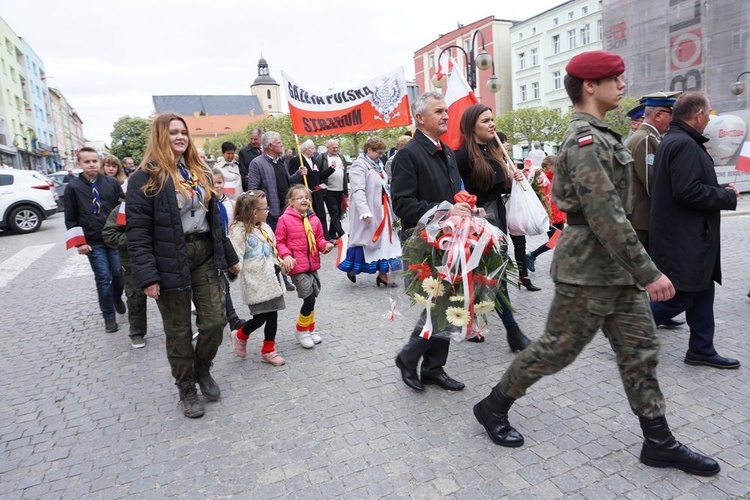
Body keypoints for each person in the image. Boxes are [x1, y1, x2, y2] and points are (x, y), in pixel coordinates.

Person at [472, 50, 721, 477]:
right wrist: (651, 272)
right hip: (587, 270)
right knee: (556, 351)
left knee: (640, 350)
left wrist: (637, 270)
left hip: (615, 269)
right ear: (590, 86)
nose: (623, 86)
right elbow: (606, 216)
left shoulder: (603, 135)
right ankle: (493, 406)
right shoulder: (584, 141)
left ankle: (658, 441)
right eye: (614, 78)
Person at [126, 114, 240, 418]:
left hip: (203, 251)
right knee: (178, 329)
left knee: (215, 320)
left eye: (183, 132)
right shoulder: (144, 178)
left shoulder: (198, 171)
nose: (179, 137)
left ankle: (202, 368)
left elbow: (214, 219)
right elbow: (136, 232)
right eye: (173, 132)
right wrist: (148, 275)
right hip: (168, 259)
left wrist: (229, 256)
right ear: (160, 136)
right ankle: (186, 385)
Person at [649, 91, 740, 370]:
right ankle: (623, 325)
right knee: (683, 294)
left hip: (691, 235)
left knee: (702, 290)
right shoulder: (684, 144)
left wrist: (718, 190)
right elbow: (687, 191)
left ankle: (701, 348)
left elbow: (689, 185)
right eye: (709, 114)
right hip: (685, 237)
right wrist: (726, 197)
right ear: (699, 114)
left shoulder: (678, 140)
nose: (710, 119)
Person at [391, 91, 472, 392]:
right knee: (437, 303)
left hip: (451, 238)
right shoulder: (408, 155)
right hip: (424, 240)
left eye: (446, 112)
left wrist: (464, 206)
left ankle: (434, 368)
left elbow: (452, 196)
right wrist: (446, 209)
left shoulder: (447, 151)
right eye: (438, 111)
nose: (445, 117)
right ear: (420, 118)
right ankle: (409, 357)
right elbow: (402, 204)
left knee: (449, 301)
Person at [454, 104, 531, 352]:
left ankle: (470, 322)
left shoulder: (495, 149)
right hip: (477, 224)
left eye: (492, 119)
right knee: (496, 276)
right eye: (485, 121)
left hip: (498, 219)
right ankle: (513, 332)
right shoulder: (461, 156)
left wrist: (515, 179)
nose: (492, 124)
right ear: (471, 126)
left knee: (485, 276)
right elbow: (457, 192)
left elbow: (500, 187)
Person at [625, 92, 685, 331]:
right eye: (671, 114)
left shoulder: (644, 137)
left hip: (639, 216)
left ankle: (660, 309)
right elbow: (653, 184)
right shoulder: (647, 140)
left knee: (652, 269)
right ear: (659, 114)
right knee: (640, 272)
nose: (673, 119)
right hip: (643, 217)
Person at [64, 147, 126, 333]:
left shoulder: (110, 183)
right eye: (87, 162)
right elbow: (71, 216)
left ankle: (117, 297)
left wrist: (123, 231)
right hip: (92, 240)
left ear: (98, 162)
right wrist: (79, 242)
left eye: (94, 161)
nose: (91, 165)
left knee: (118, 274)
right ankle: (108, 316)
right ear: (80, 164)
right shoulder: (73, 187)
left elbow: (122, 208)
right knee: (102, 278)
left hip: (113, 238)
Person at [229, 190, 287, 366]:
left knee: (273, 316)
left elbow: (272, 249)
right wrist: (233, 269)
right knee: (260, 318)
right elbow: (236, 256)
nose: (268, 211)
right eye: (265, 208)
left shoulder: (265, 227)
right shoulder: (239, 232)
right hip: (256, 282)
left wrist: (281, 263)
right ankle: (240, 335)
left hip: (272, 280)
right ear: (255, 213)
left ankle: (268, 350)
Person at [275, 185, 334, 349]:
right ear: (291, 202)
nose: (304, 200)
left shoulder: (314, 219)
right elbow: (279, 242)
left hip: (312, 264)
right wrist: (286, 255)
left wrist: (326, 246)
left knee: (313, 295)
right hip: (296, 265)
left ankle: (310, 327)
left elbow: (319, 239)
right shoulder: (284, 219)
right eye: (299, 197)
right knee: (308, 297)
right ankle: (301, 330)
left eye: (307, 197)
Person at [337, 136, 401, 287]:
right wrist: (364, 211)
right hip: (369, 210)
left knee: (384, 241)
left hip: (383, 210)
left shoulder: (377, 165)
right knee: (366, 242)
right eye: (378, 152)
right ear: (369, 150)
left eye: (382, 153)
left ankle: (383, 275)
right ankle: (352, 269)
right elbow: (358, 190)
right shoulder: (359, 166)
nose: (381, 156)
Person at [248, 131, 307, 292]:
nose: (282, 144)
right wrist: (261, 209)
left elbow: (287, 182)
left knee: (283, 244)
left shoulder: (281, 162)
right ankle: (280, 278)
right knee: (273, 246)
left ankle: (285, 273)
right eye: (279, 142)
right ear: (270, 146)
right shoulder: (257, 163)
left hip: (285, 211)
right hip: (270, 213)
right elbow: (253, 190)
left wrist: (298, 175)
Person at [102, 191, 148, 349]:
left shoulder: (155, 203)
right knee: (135, 297)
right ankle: (137, 332)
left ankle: (176, 331)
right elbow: (109, 234)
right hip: (132, 261)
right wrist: (131, 239)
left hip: (158, 257)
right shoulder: (121, 210)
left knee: (169, 296)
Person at [498, 133, 540, 292]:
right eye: (504, 142)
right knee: (501, 243)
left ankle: (524, 277)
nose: (507, 145)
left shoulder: (508, 161)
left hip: (514, 205)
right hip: (502, 205)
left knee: (520, 243)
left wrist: (523, 174)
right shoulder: (495, 162)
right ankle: (503, 279)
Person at [213, 168, 245, 332]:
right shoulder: (206, 204)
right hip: (214, 249)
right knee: (223, 283)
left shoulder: (230, 203)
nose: (216, 186)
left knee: (226, 281)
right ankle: (232, 318)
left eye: (219, 183)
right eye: (213, 183)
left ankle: (228, 315)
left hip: (228, 246)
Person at [527, 155, 566, 271]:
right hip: (549, 216)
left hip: (559, 215)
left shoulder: (556, 177)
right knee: (557, 240)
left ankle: (558, 265)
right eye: (556, 166)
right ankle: (532, 255)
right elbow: (541, 199)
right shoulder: (541, 179)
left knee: (557, 242)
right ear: (549, 166)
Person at [288, 139, 333, 240]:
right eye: (312, 148)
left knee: (321, 216)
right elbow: (292, 180)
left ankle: (324, 237)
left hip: (317, 194)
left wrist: (331, 169)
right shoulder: (296, 161)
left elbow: (319, 176)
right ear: (305, 150)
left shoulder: (314, 160)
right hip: (305, 194)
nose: (314, 150)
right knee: (309, 216)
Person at [316, 139, 348, 240]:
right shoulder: (322, 158)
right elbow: (319, 174)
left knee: (338, 212)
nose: (336, 149)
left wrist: (345, 190)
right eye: (333, 147)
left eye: (337, 147)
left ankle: (332, 232)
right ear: (328, 147)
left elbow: (344, 173)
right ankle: (341, 233)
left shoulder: (341, 157)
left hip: (340, 189)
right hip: (328, 190)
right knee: (334, 212)